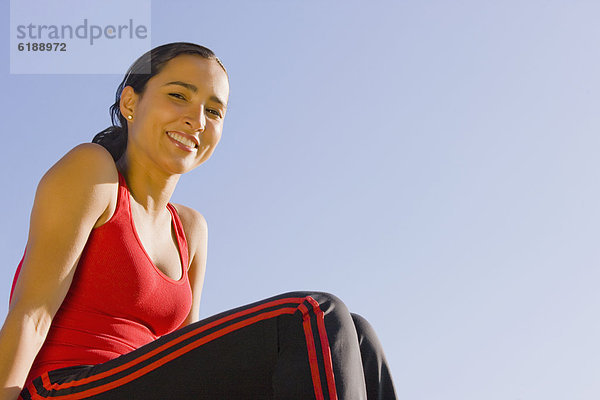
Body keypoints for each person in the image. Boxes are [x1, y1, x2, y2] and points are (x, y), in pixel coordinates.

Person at [0, 42, 397, 400]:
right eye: (178, 96)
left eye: (213, 110)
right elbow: (32, 313)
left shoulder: (191, 229)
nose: (197, 120)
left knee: (355, 340)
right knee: (312, 316)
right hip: (65, 387)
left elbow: (186, 358)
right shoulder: (94, 173)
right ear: (130, 103)